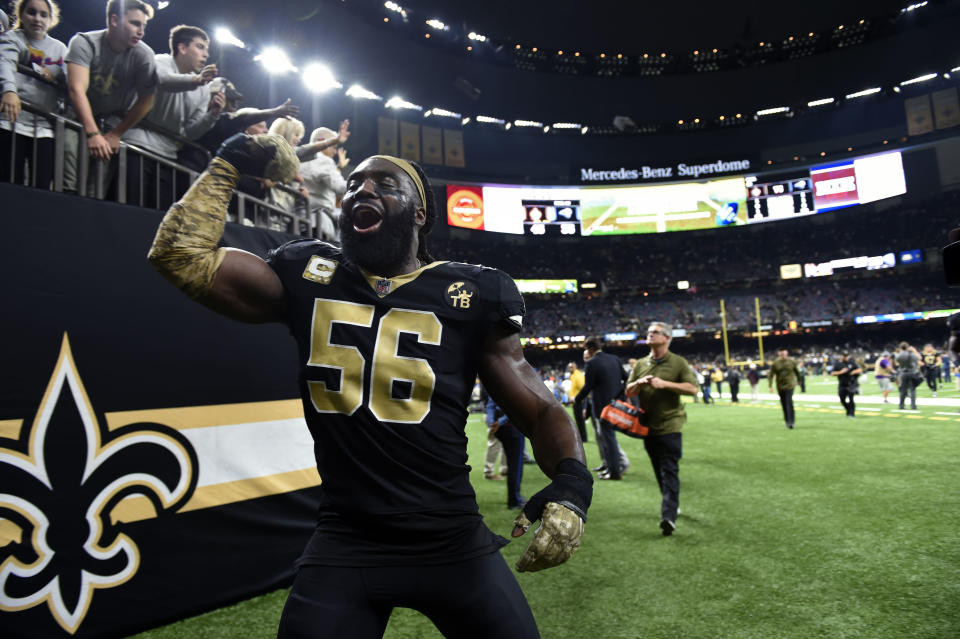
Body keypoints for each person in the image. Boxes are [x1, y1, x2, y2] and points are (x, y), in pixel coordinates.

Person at [147, 133, 593, 638]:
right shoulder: (308, 273)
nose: (363, 189)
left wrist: (574, 485)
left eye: (386, 183)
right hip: (347, 539)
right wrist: (230, 161)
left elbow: (535, 408)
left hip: (449, 538)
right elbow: (180, 255)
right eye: (354, 182)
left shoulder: (471, 291)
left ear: (420, 214)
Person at [121, 24, 223, 207]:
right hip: (136, 145)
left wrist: (212, 115)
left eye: (207, 49)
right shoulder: (161, 61)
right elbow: (161, 80)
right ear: (182, 48)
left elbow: (189, 132)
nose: (206, 55)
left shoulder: (203, 89)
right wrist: (196, 80)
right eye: (200, 47)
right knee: (129, 206)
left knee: (157, 218)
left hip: (168, 158)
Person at [65, 0, 157, 194]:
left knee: (95, 191)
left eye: (143, 26)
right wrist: (92, 133)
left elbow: (147, 100)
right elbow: (76, 89)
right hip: (75, 119)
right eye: (135, 23)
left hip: (111, 123)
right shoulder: (84, 42)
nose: (141, 31)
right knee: (67, 183)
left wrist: (116, 133)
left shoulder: (144, 54)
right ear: (114, 20)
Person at [625, 322, 698, 536]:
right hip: (648, 425)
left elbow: (692, 389)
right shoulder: (640, 363)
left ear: (666, 337)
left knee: (669, 469)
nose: (649, 334)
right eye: (648, 332)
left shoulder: (678, 363)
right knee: (659, 470)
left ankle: (668, 516)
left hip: (671, 423)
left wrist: (665, 384)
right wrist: (639, 382)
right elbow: (628, 391)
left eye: (654, 332)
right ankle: (671, 505)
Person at [0, 0, 66, 188]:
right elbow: (5, 62)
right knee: (11, 182)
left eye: (43, 14)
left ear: (51, 19)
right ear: (21, 14)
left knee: (42, 185)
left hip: (44, 127)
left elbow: (72, 78)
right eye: (32, 12)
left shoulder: (60, 48)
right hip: (10, 122)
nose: (37, 18)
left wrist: (55, 75)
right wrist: (10, 91)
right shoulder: (11, 38)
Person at [575, 337, 627, 480]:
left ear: (591, 349)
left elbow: (588, 387)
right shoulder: (615, 359)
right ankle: (611, 468)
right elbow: (626, 378)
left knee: (608, 439)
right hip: (615, 405)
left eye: (586, 349)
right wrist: (619, 396)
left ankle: (615, 472)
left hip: (601, 408)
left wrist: (578, 399)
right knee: (609, 438)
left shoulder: (592, 363)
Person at [300, 125, 349, 241]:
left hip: (299, 220)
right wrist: (362, 184)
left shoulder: (300, 158)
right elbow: (340, 187)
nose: (335, 151)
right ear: (322, 142)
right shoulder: (324, 160)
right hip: (319, 223)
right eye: (334, 145)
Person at [485, 394, 526, 509]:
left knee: (512, 463)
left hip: (499, 427)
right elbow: (515, 408)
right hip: (511, 426)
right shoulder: (515, 380)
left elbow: (490, 404)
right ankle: (514, 500)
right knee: (515, 465)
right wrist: (500, 422)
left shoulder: (496, 382)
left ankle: (515, 496)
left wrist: (492, 422)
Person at [769, 349, 800, 429]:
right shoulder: (776, 363)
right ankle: (787, 420)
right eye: (781, 352)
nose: (783, 354)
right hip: (780, 386)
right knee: (784, 404)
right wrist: (770, 386)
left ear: (787, 353)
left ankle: (791, 422)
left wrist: (799, 381)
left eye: (784, 352)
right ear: (779, 353)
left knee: (789, 402)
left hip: (790, 385)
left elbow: (797, 372)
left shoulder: (791, 361)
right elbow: (771, 374)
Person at [831, 352, 862, 418]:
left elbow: (859, 369)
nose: (845, 357)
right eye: (844, 356)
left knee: (851, 399)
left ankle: (852, 414)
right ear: (841, 356)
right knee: (842, 399)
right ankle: (848, 409)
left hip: (851, 384)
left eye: (846, 356)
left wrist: (854, 372)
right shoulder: (838, 364)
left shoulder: (851, 362)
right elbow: (832, 373)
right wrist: (841, 372)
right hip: (842, 384)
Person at [895, 341, 921, 410]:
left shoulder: (899, 355)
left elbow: (898, 361)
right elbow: (919, 358)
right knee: (912, 390)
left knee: (903, 390)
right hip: (912, 372)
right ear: (907, 347)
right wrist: (914, 350)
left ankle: (901, 405)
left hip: (903, 373)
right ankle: (913, 406)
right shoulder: (911, 354)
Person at [567, 361, 587, 442]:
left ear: (575, 367)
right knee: (578, 420)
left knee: (580, 420)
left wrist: (575, 397)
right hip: (575, 401)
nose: (570, 368)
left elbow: (582, 386)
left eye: (571, 367)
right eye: (569, 367)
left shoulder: (577, 375)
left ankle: (583, 438)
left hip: (579, 401)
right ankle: (582, 437)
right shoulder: (573, 375)